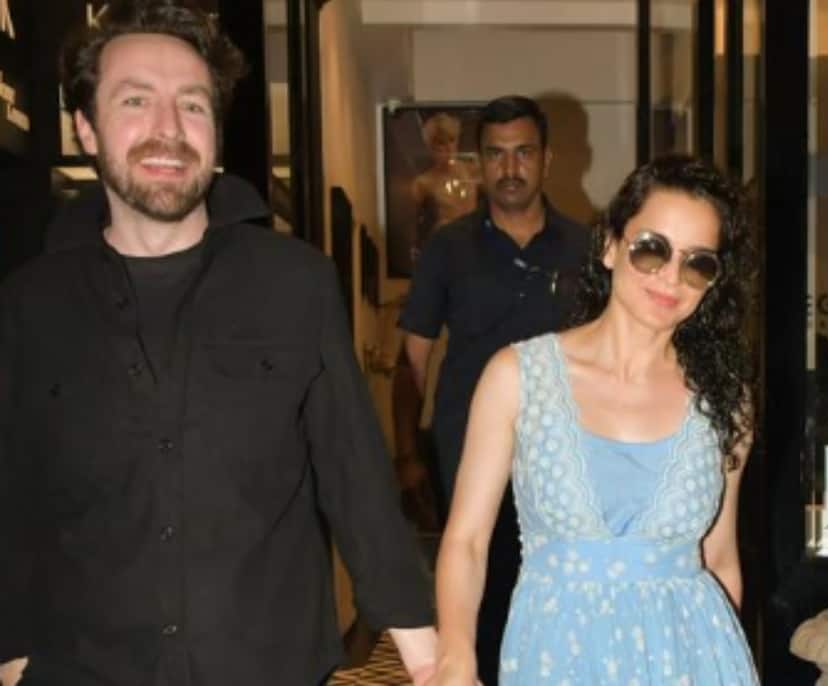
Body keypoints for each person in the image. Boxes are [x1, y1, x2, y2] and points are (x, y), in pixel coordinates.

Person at [0, 2, 436, 685]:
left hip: (265, 666)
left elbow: (355, 477)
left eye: (193, 105)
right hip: (82, 668)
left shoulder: (295, 283)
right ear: (86, 127)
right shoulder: (31, 304)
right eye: (136, 101)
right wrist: (11, 653)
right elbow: (13, 493)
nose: (169, 129)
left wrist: (430, 661)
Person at [433, 155, 761, 684]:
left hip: (691, 659)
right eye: (652, 249)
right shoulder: (518, 377)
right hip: (557, 658)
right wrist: (456, 653)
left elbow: (719, 557)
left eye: (697, 263)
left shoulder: (725, 399)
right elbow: (466, 540)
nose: (671, 277)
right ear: (610, 246)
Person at [398, 95, 590, 686]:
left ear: (547, 159)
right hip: (469, 460)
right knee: (478, 611)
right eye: (496, 154)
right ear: (479, 163)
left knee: (559, 611)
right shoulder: (447, 249)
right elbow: (412, 361)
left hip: (567, 466)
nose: (510, 168)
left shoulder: (588, 248)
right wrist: (408, 457)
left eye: (523, 152)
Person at [410, 111, 481, 261]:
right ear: (431, 147)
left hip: (473, 243)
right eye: (441, 143)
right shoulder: (423, 182)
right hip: (445, 245)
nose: (448, 147)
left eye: (452, 140)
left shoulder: (473, 170)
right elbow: (415, 227)